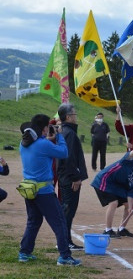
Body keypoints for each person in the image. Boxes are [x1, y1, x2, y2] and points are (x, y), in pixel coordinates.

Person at [19, 114, 81, 265]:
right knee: (59, 222)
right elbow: (63, 152)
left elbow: (41, 148)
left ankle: (24, 252)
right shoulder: (43, 144)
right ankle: (65, 256)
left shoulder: (24, 143)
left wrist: (49, 138)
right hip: (44, 192)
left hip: (29, 189)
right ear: (44, 128)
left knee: (33, 221)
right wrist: (59, 136)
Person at [91, 131, 133, 238]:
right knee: (114, 202)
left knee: (128, 206)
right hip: (106, 179)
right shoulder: (130, 159)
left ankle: (121, 229)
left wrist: (131, 206)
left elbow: (131, 193)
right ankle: (108, 230)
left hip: (117, 186)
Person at [57, 103, 88, 250]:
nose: (76, 117)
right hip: (69, 179)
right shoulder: (69, 133)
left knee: (68, 210)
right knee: (68, 210)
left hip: (66, 177)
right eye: (74, 114)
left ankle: (65, 240)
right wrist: (75, 177)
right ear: (68, 117)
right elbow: (68, 158)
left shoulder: (65, 131)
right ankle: (64, 242)